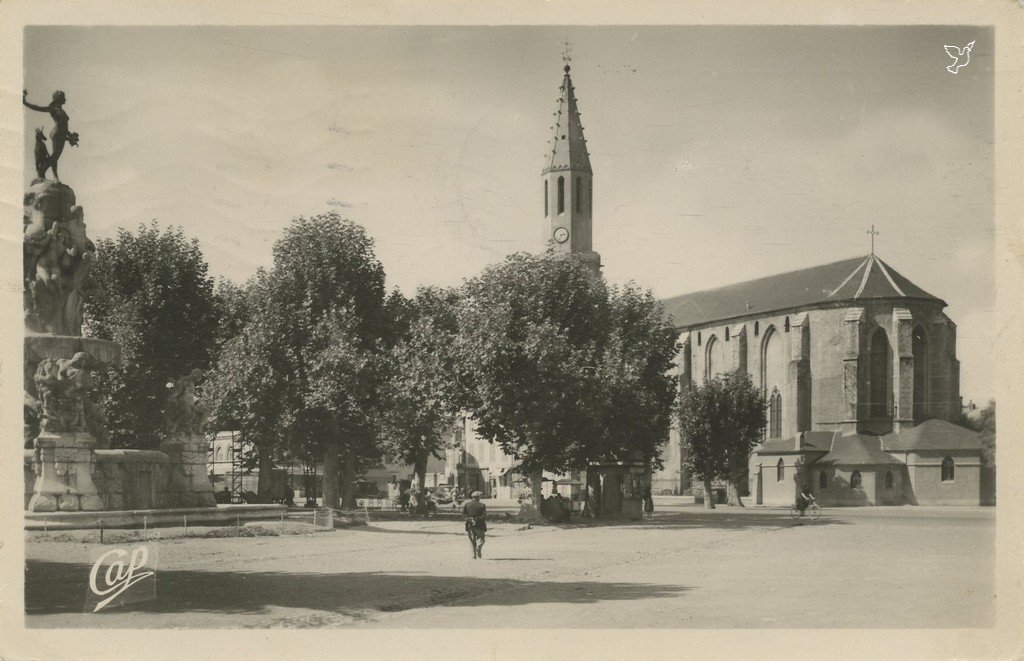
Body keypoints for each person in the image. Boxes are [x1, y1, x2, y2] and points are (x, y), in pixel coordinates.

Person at [23, 89, 78, 182]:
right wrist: (24, 102)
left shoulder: (60, 109)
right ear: (58, 99)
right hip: (57, 133)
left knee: (55, 156)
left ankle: (42, 171)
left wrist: (70, 135)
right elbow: (37, 107)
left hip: (61, 133)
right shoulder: (52, 109)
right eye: (63, 97)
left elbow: (64, 125)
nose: (65, 99)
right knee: (55, 156)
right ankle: (55, 177)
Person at [462, 490, 487, 559]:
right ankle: (479, 547)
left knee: (472, 540)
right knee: (482, 539)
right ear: (478, 497)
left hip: (469, 525)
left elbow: (463, 516)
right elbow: (483, 516)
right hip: (479, 525)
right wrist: (476, 520)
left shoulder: (466, 505)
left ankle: (473, 555)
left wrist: (470, 519)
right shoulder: (482, 505)